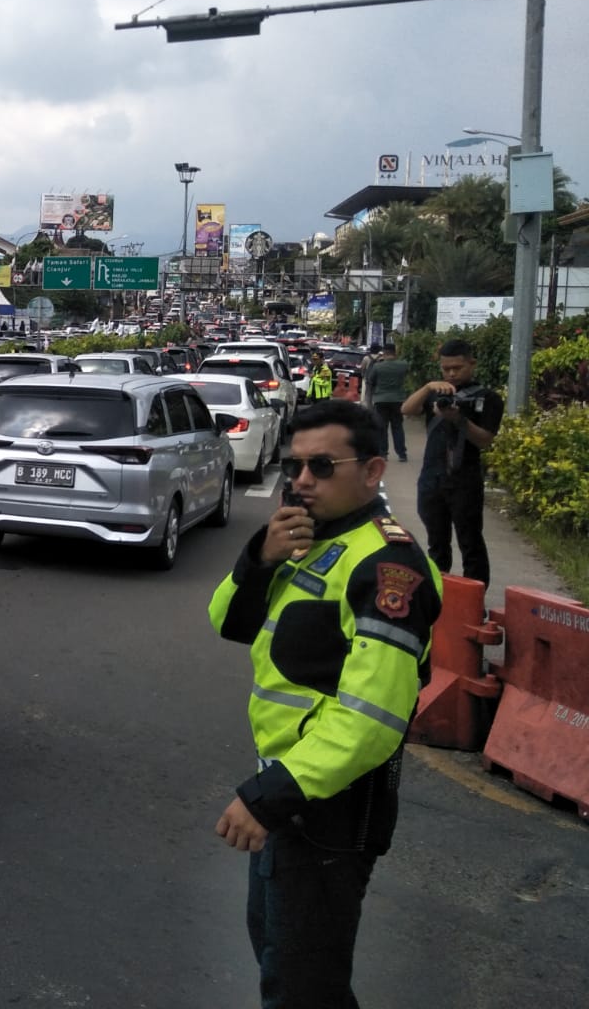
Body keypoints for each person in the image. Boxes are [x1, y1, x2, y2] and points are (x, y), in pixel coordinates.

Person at [209, 400, 442, 1009]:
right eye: (295, 466)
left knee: (302, 986)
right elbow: (228, 623)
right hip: (289, 794)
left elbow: (372, 718)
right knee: (281, 962)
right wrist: (260, 558)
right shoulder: (310, 540)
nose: (303, 480)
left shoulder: (389, 569)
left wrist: (270, 797)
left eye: (321, 466)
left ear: (372, 471)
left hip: (327, 810)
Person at [403, 338, 503, 587]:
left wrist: (459, 420)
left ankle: (473, 601)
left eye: (457, 368)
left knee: (470, 543)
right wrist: (427, 388)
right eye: (445, 368)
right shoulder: (438, 393)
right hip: (431, 478)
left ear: (472, 364)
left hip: (465, 479)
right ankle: (439, 597)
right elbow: (407, 409)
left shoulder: (488, 398)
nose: (451, 373)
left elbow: (484, 440)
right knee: (436, 543)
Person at [364, 339, 410, 462]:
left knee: (382, 427)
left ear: (384, 352)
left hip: (380, 400)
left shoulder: (378, 366)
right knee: (398, 427)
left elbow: (370, 381)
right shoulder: (403, 364)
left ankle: (383, 454)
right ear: (395, 352)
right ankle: (402, 454)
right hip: (398, 400)